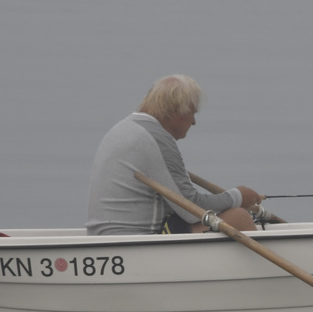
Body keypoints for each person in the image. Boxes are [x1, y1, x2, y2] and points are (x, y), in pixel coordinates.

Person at [85, 75, 264, 236]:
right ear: (176, 110)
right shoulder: (156, 138)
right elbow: (190, 209)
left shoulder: (124, 128)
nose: (194, 122)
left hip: (103, 237)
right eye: (192, 112)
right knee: (238, 217)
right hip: (135, 239)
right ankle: (262, 272)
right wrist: (238, 197)